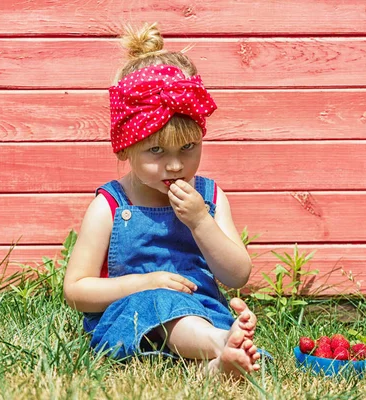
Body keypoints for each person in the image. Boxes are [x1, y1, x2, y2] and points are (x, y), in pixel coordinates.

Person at [63, 22, 263, 377]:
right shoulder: (110, 205)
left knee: (199, 323)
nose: (174, 164)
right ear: (125, 148)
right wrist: (146, 282)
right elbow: (76, 291)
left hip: (201, 315)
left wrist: (201, 221)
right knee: (159, 303)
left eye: (188, 148)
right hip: (131, 320)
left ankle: (218, 365)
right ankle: (220, 344)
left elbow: (236, 275)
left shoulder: (209, 197)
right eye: (156, 150)